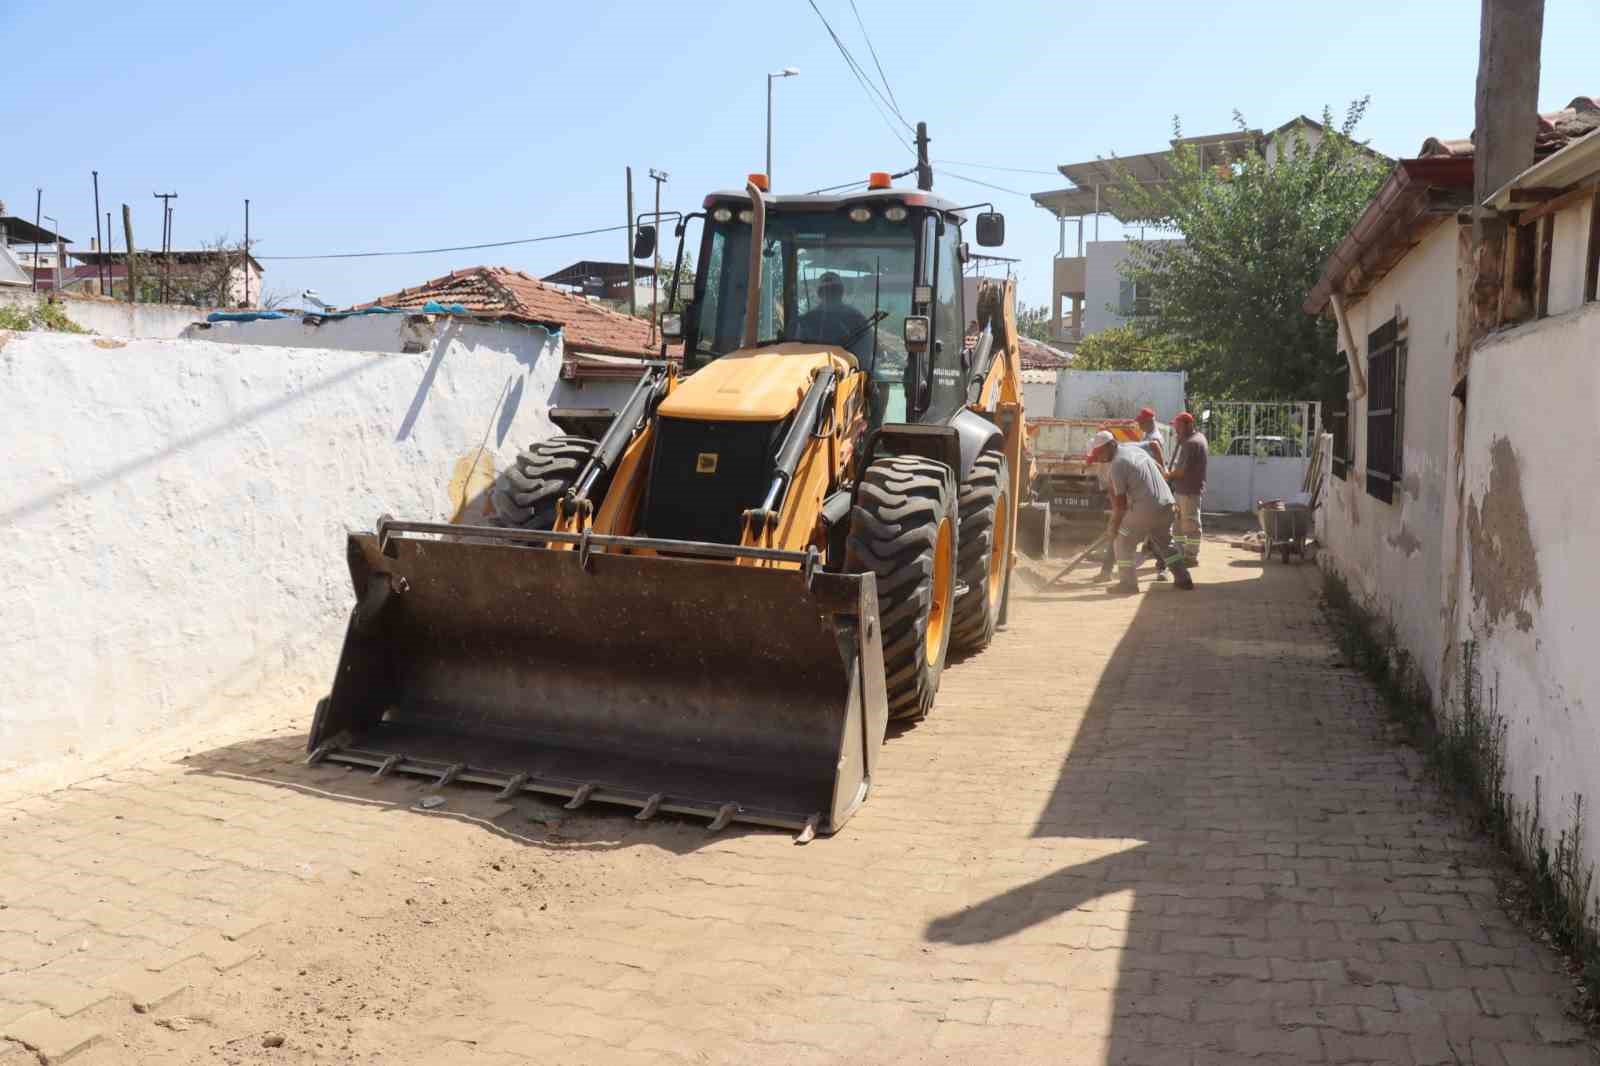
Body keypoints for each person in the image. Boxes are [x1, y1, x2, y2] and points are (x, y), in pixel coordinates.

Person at [1085, 429, 1193, 593]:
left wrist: (1113, 527)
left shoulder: (1117, 465)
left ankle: (1128, 584)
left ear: (1110, 445)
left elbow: (1120, 506)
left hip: (1146, 509)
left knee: (1122, 541)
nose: (1099, 458)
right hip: (1167, 504)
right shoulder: (1134, 450)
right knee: (1165, 543)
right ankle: (1183, 578)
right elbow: (1157, 467)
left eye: (1099, 453)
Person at [1166, 411, 1208, 567]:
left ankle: (1190, 556)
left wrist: (1167, 475)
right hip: (1183, 490)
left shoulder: (1190, 444)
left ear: (1187, 425)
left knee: (1190, 525)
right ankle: (1180, 553)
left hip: (1188, 491)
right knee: (1177, 525)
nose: (1175, 429)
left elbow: (1181, 471)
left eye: (1177, 426)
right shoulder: (1197, 438)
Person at [793, 272, 868, 352]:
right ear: (820, 294)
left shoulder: (857, 319)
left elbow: (866, 353)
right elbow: (798, 351)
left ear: (840, 292)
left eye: (834, 290)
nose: (829, 294)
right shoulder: (806, 321)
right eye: (826, 291)